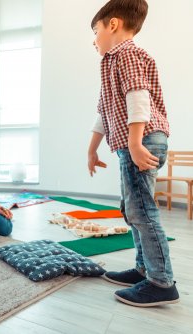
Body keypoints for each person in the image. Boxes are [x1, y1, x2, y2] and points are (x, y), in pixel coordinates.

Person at [88, 0, 179, 307]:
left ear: (112, 25)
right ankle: (144, 268)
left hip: (142, 141)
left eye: (96, 31)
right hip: (134, 143)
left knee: (142, 211)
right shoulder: (111, 63)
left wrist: (135, 143)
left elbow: (137, 98)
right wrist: (92, 149)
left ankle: (161, 281)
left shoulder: (126, 53)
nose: (94, 39)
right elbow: (104, 112)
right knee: (133, 209)